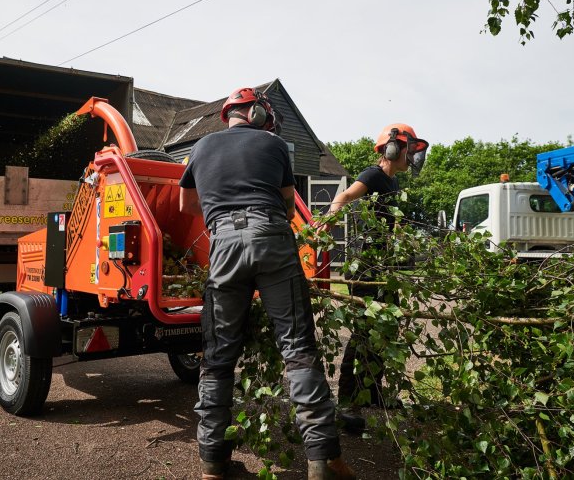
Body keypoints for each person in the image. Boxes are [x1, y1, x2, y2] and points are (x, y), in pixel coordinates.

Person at [179, 87, 354, 480]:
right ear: (257, 114)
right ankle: (324, 461)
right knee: (297, 349)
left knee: (218, 357)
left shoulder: (201, 147)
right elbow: (289, 203)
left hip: (223, 245)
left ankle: (212, 464)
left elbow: (186, 206)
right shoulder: (274, 144)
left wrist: (220, 211)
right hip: (272, 236)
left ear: (228, 115)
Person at [324, 124, 428, 432]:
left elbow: (392, 224)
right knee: (364, 331)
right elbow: (344, 197)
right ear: (393, 148)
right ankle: (347, 402)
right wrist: (329, 221)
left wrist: (403, 242)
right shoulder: (373, 175)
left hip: (385, 265)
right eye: (409, 149)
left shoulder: (393, 184)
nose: (412, 156)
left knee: (385, 328)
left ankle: (372, 391)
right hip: (366, 266)